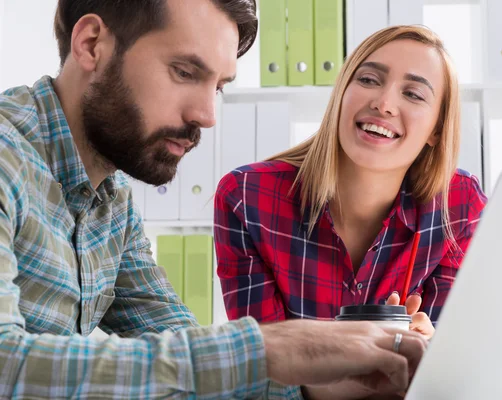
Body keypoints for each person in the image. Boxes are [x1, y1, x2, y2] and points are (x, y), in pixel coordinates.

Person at [0, 1, 428, 399]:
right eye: (185, 72)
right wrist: (267, 347)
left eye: (218, 87)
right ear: (92, 44)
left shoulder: (112, 200)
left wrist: (330, 382)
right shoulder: (7, 157)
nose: (206, 115)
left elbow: (189, 357)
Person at [214, 25, 488, 340]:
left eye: (413, 94)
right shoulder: (247, 198)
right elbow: (268, 369)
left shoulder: (459, 204)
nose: (384, 103)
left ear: (436, 131)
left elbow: (446, 365)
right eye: (369, 80)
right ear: (341, 93)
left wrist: (428, 349)